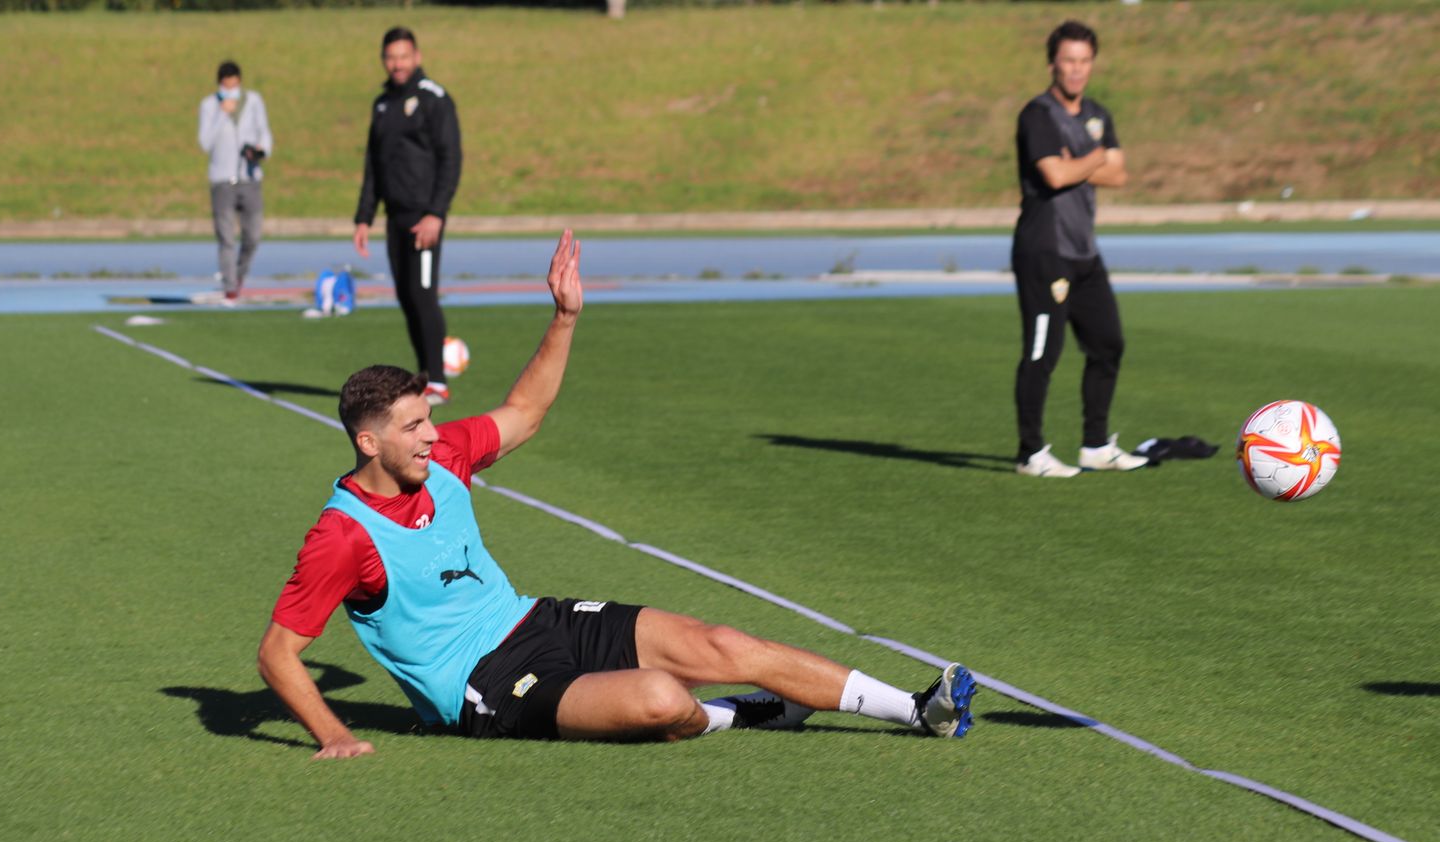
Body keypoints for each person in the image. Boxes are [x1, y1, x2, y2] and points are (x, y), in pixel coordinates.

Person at [258, 231, 979, 759]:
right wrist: (336, 735)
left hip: (533, 619)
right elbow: (278, 654)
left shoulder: (441, 455)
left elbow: (526, 412)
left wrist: (565, 318)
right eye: (413, 425)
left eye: (429, 418)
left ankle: (919, 709)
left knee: (721, 642)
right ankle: (748, 716)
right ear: (367, 442)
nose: (430, 434)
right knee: (664, 698)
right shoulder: (342, 536)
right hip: (482, 687)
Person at [1011, 21, 1148, 478]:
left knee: (1108, 343)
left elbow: (1120, 174)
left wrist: (1079, 163)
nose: (1076, 70)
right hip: (1043, 250)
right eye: (1068, 60)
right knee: (1042, 353)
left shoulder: (1097, 113)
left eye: (1084, 61)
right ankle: (1031, 453)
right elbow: (1055, 175)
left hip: (1083, 252)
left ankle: (1095, 445)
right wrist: (1095, 158)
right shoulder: (1037, 115)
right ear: (1053, 63)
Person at [353, 26, 462, 407]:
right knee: (405, 295)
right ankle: (424, 377)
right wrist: (364, 217)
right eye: (390, 57)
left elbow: (451, 159)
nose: (397, 64)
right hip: (395, 217)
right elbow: (374, 165)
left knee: (423, 294)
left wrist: (436, 213)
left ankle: (437, 380)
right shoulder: (382, 104)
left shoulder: (435, 99)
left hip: (424, 218)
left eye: (403, 56)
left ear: (416, 56)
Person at [198, 59, 273, 304]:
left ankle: (239, 275)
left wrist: (261, 150)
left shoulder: (253, 101)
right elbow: (205, 142)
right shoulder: (209, 106)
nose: (231, 90)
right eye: (226, 86)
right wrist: (222, 114)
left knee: (253, 236)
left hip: (250, 178)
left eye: (234, 85)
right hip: (222, 180)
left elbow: (265, 132)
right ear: (220, 85)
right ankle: (230, 288)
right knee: (226, 238)